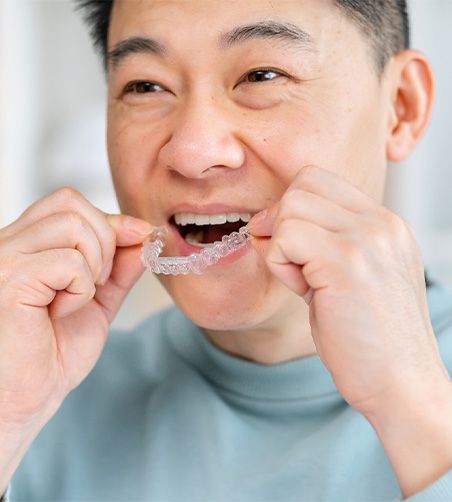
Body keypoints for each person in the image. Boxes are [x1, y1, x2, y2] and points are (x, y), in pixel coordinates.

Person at [1, 0, 452, 500]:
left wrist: (418, 412)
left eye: (261, 75)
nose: (192, 153)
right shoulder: (40, 396)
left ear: (402, 107)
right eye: (145, 86)